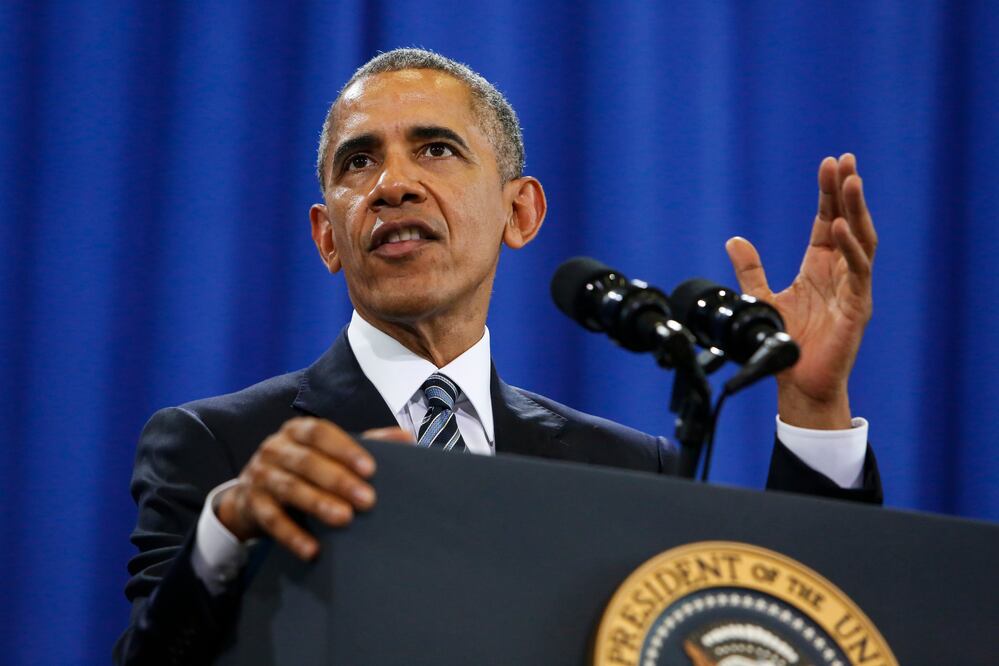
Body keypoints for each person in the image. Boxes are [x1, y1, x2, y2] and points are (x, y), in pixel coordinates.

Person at [115, 48, 880, 665]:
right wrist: (229, 527)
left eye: (436, 149)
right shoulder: (221, 448)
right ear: (326, 236)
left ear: (520, 212)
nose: (392, 185)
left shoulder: (623, 469)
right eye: (358, 163)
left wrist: (813, 406)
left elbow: (802, 626)